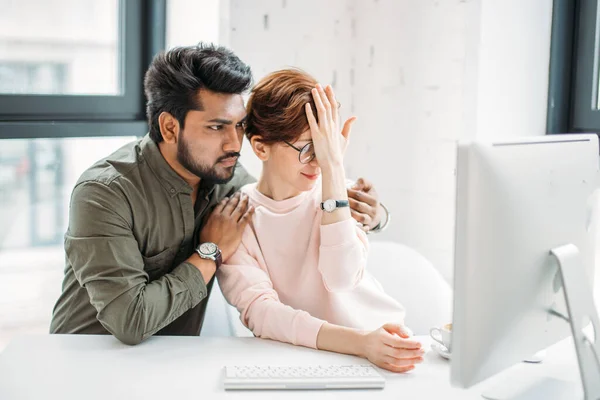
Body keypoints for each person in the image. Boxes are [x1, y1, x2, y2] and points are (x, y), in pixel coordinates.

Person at [49, 43, 390, 345]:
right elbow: (130, 321)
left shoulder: (225, 177)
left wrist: (369, 216)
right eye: (216, 127)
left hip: (176, 358)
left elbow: (287, 201)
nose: (234, 143)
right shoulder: (104, 193)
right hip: (87, 358)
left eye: (239, 125)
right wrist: (209, 253)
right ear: (170, 127)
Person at [217, 69, 423, 373]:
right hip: (305, 360)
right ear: (261, 147)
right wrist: (361, 343)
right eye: (307, 149)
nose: (319, 162)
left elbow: (341, 277)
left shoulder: (336, 190)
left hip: (385, 349)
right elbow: (263, 314)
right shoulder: (237, 217)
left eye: (325, 148)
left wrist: (335, 171)